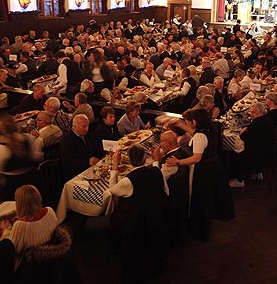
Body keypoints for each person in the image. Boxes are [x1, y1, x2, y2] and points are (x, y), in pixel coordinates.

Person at [166, 108, 234, 241]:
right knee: (208, 197)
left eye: (187, 121)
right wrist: (181, 125)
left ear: (194, 122)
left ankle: (200, 230)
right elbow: (196, 133)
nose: (185, 123)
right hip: (214, 166)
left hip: (205, 171)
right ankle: (206, 221)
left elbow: (196, 158)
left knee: (202, 198)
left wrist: (177, 162)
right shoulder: (209, 130)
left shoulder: (199, 136)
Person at [109, 145, 168, 283]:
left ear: (129, 160)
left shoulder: (128, 180)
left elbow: (112, 190)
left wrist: (115, 166)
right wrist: (155, 161)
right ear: (144, 159)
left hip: (136, 224)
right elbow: (166, 191)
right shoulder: (156, 172)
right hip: (156, 218)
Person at [9, 185, 58, 255]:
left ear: (20, 204)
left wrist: (6, 230)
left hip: (32, 261)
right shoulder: (50, 211)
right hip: (51, 254)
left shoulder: (20, 226)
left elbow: (13, 250)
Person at [60, 114, 104, 180]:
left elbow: (95, 148)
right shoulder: (67, 140)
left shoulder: (86, 135)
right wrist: (87, 162)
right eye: (84, 126)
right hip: (76, 174)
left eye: (88, 126)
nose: (87, 129)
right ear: (74, 126)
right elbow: (68, 163)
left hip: (89, 169)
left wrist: (107, 152)